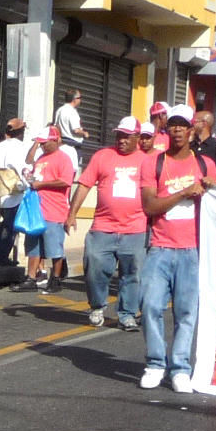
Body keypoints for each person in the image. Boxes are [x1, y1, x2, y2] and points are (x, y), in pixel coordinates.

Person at [138, 105, 216, 393]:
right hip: (160, 247)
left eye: (182, 125)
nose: (176, 130)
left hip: (194, 250)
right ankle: (155, 364)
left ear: (191, 130)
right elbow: (149, 206)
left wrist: (211, 188)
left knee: (187, 312)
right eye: (171, 125)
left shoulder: (205, 165)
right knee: (150, 305)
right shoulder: (153, 163)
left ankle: (181, 367)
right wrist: (184, 192)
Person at [71, 116, 147, 329]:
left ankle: (127, 314)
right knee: (93, 265)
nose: (121, 140)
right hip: (103, 227)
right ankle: (96, 306)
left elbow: (155, 193)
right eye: (119, 135)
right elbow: (84, 185)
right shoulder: (102, 156)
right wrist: (72, 214)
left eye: (127, 136)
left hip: (135, 228)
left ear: (137, 138)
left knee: (133, 274)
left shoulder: (147, 161)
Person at [24, 124, 76, 291]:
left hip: (54, 211)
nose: (42, 146)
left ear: (55, 140)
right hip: (37, 210)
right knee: (34, 246)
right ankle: (31, 277)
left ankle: (55, 278)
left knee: (54, 248)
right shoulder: (40, 159)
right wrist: (30, 178)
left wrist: (41, 184)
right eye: (40, 143)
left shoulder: (63, 158)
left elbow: (65, 181)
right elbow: (33, 170)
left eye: (45, 143)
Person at [0, 114, 31, 265]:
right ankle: (1, 256)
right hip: (14, 190)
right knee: (10, 226)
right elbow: (23, 170)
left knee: (6, 222)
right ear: (21, 132)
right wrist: (26, 185)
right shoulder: (21, 148)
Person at [191, 108, 216, 175]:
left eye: (194, 122)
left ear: (204, 124)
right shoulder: (190, 145)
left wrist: (210, 179)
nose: (191, 125)